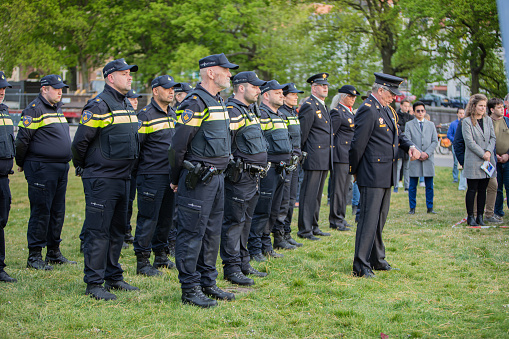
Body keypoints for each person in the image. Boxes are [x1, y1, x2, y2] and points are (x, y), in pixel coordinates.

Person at [169, 53, 238, 308]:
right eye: (226, 70)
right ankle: (190, 289)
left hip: (217, 179)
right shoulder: (195, 103)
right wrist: (175, 178)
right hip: (197, 180)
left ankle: (208, 283)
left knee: (211, 233)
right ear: (211, 72)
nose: (229, 74)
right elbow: (177, 147)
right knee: (191, 234)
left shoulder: (217, 101)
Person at [72, 58, 140, 301]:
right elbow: (79, 143)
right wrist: (87, 167)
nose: (130, 77)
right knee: (98, 232)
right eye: (125, 74)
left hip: (123, 178)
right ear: (110, 78)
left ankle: (113, 275)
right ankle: (94, 283)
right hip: (102, 179)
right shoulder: (99, 106)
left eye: (130, 73)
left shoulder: (125, 104)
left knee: (118, 230)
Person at [349, 72, 420, 278]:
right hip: (371, 173)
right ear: (380, 90)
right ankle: (361, 265)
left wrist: (410, 147)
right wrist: (355, 171)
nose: (394, 97)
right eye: (391, 93)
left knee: (380, 219)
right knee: (368, 220)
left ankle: (377, 259)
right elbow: (357, 146)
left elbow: (399, 134)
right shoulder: (368, 110)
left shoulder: (388, 110)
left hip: (385, 172)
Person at [15, 74, 76, 271]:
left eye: (61, 88)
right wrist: (22, 163)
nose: (60, 91)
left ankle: (53, 252)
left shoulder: (56, 108)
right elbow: (23, 140)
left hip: (59, 167)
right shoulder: (34, 110)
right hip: (41, 167)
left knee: (57, 212)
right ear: (44, 89)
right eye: (56, 88)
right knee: (41, 212)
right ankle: (34, 256)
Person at [220, 71, 268, 287]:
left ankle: (243, 263)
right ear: (241, 87)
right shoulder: (231, 111)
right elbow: (225, 146)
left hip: (253, 177)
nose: (259, 90)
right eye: (255, 86)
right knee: (234, 223)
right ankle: (231, 268)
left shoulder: (250, 111)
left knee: (246, 222)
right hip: (238, 178)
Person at [134, 75, 178, 276]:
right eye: (167, 88)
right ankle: (143, 262)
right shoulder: (145, 115)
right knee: (148, 219)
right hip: (151, 175)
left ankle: (160, 255)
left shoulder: (173, 114)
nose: (171, 92)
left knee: (165, 219)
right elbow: (136, 148)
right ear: (155, 91)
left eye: (173, 89)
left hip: (169, 177)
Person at [248, 80, 293, 261]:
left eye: (282, 93)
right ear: (266, 95)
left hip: (281, 170)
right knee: (262, 211)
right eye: (277, 93)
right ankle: (255, 248)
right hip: (268, 170)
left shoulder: (280, 115)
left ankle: (266, 245)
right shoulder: (262, 115)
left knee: (274, 210)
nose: (282, 95)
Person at [297, 73, 333, 241]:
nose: (325, 87)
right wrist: (302, 154)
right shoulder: (309, 105)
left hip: (323, 156)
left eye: (326, 85)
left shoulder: (322, 105)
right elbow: (303, 134)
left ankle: (314, 225)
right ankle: (305, 229)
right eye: (321, 85)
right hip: (313, 156)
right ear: (313, 87)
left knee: (317, 195)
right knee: (309, 194)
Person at [462, 94, 496, 226]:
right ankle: (471, 216)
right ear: (474, 106)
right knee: (472, 189)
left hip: (487, 160)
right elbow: (469, 142)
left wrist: (488, 151)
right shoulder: (466, 122)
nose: (483, 108)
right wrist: (483, 153)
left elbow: (493, 138)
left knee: (483, 189)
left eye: (484, 106)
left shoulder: (488, 120)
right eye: (480, 106)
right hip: (474, 160)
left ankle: (480, 217)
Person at [329, 85, 360, 231]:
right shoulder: (337, 112)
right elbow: (331, 135)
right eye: (350, 96)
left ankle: (341, 217)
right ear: (343, 97)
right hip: (340, 155)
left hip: (347, 155)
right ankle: (335, 220)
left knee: (345, 189)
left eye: (354, 97)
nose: (353, 99)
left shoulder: (348, 112)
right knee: (338, 189)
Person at [279, 83, 304, 247]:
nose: (296, 97)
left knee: (291, 199)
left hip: (295, 161)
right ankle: (280, 235)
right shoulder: (281, 112)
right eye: (293, 94)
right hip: (286, 162)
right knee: (284, 200)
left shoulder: (292, 112)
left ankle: (287, 232)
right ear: (284, 96)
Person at [406, 102, 438, 214]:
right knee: (413, 185)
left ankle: (430, 207)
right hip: (415, 157)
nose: (420, 113)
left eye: (422, 110)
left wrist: (427, 153)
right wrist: (419, 153)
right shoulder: (409, 125)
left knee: (429, 185)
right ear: (414, 112)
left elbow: (435, 141)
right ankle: (412, 208)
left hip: (428, 158)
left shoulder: (431, 125)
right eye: (418, 111)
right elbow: (408, 140)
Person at [0, 72, 16, 282]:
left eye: (3, 88)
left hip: (3, 177)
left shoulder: (4, 112)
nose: (2, 91)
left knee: (1, 221)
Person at [124, 89, 142, 248]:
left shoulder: (136, 117)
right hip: (125, 166)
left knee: (129, 201)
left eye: (136, 99)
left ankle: (126, 231)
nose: (135, 102)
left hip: (136, 167)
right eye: (131, 99)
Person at [489, 98, 509, 222]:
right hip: (493, 160)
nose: (502, 109)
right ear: (492, 109)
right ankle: (497, 212)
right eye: (499, 107)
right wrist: (494, 154)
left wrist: (507, 154)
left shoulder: (507, 121)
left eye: (503, 107)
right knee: (496, 188)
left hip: (507, 160)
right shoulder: (487, 122)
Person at [395, 99, 414, 192]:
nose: (406, 108)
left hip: (407, 144)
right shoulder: (396, 116)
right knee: (398, 166)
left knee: (407, 166)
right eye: (405, 106)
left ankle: (407, 185)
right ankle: (396, 185)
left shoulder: (411, 117)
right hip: (399, 145)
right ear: (401, 106)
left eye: (408, 106)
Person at [447, 108, 465, 183]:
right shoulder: (453, 124)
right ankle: (455, 177)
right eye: (460, 113)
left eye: (463, 113)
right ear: (457, 114)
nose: (461, 115)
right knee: (455, 162)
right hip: (456, 145)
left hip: (463, 145)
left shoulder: (465, 122)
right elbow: (449, 134)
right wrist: (454, 140)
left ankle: (463, 178)